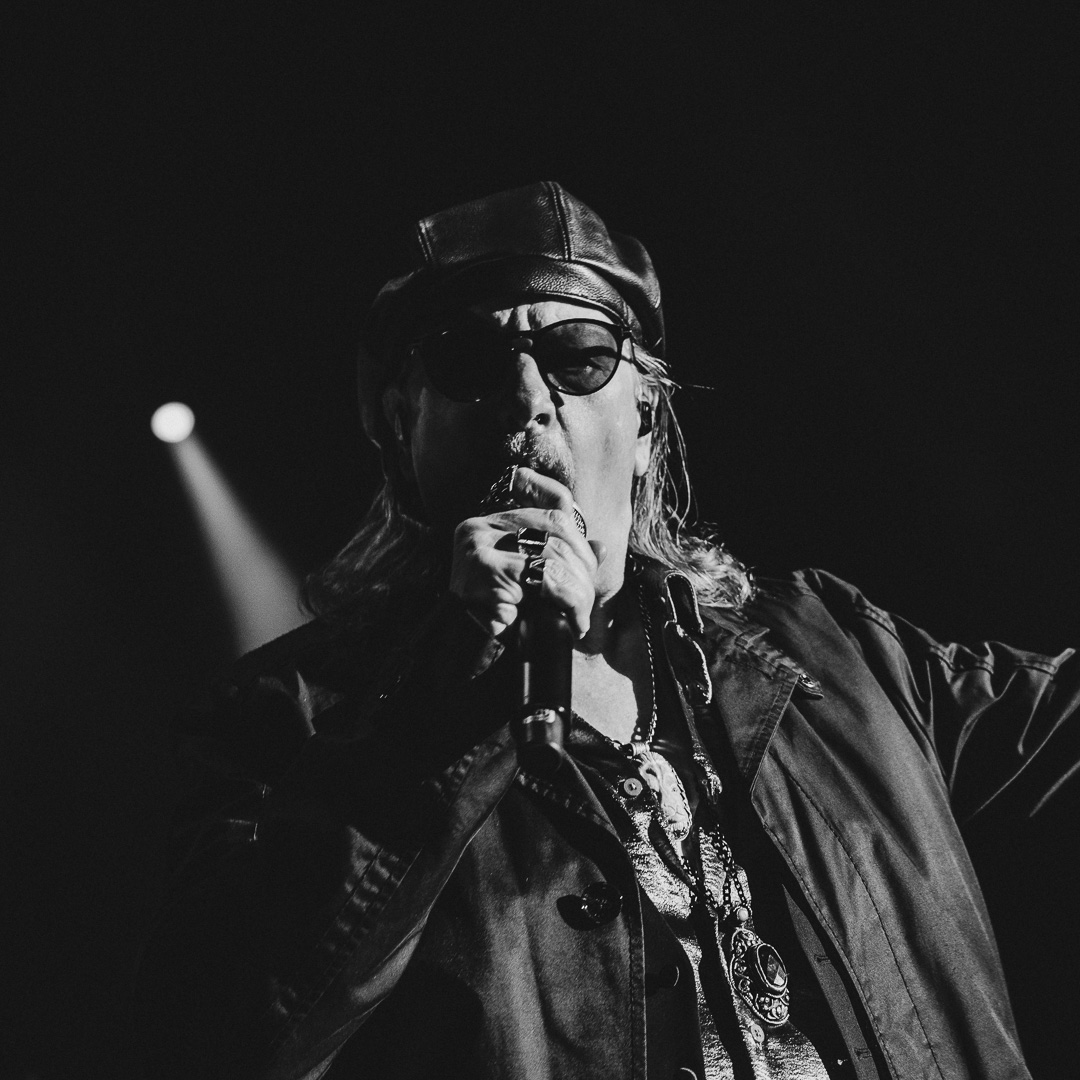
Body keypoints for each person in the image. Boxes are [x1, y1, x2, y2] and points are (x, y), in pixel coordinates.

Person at [135, 181, 1079, 1079]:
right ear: (401, 426)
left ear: (647, 417)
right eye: (466, 359)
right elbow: (223, 1037)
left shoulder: (838, 653)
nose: (527, 398)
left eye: (579, 354)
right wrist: (449, 695)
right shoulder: (285, 719)